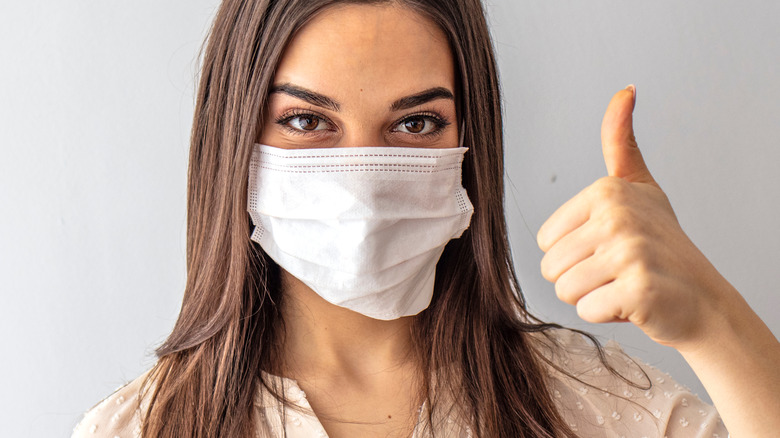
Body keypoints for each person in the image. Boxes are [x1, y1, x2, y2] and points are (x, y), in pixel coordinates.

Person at [72, 0, 779, 437]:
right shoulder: (137, 432)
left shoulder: (589, 403)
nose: (364, 184)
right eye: (306, 120)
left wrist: (716, 321)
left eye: (415, 123)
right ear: (234, 144)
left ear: (471, 143)